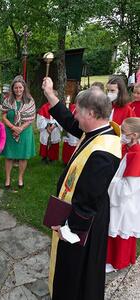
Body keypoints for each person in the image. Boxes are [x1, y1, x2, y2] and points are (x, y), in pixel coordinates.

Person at [42, 77, 121, 300]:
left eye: (78, 111)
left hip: (85, 225)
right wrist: (50, 93)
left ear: (92, 114)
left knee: (76, 271)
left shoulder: (104, 153)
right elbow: (69, 121)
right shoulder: (97, 131)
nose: (74, 114)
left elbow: (88, 200)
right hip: (82, 214)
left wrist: (68, 229)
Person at [106, 117, 140, 273]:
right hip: (122, 198)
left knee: (120, 227)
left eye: (124, 132)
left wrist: (109, 181)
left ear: (134, 135)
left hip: (125, 201)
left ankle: (116, 261)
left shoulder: (137, 154)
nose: (122, 135)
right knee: (114, 225)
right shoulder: (128, 148)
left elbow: (128, 187)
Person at [1, 75, 36, 188]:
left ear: (24, 88)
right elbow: (4, 117)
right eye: (16, 88)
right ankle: (8, 178)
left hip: (25, 131)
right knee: (9, 156)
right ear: (12, 88)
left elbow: (31, 118)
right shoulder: (7, 100)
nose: (18, 90)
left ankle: (20, 177)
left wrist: (20, 128)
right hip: (10, 131)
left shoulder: (30, 101)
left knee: (23, 156)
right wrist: (13, 127)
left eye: (20, 87)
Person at [37, 94, 62, 163]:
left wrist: (54, 125)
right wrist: (47, 127)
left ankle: (52, 158)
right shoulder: (44, 107)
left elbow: (61, 118)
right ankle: (44, 157)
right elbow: (40, 118)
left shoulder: (59, 107)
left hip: (55, 128)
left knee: (54, 141)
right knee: (45, 140)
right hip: (46, 128)